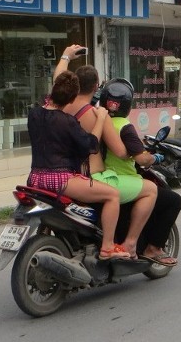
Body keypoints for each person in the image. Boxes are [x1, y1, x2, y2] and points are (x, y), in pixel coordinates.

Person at [54, 45, 162, 261]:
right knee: (147, 190)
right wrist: (139, 150)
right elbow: (121, 152)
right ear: (96, 87)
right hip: (89, 177)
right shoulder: (96, 114)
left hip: (64, 172)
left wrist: (66, 55)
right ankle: (121, 245)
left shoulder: (62, 104)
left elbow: (58, 79)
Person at [26, 70, 130, 260]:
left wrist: (66, 57)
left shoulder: (34, 114)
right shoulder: (67, 122)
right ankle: (107, 246)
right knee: (112, 195)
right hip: (60, 181)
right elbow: (91, 145)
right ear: (72, 98)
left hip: (34, 179)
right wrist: (100, 118)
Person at [98, 77, 181, 266]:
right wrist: (155, 157)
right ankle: (140, 246)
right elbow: (141, 158)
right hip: (120, 180)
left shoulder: (97, 120)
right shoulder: (124, 127)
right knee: (173, 200)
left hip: (97, 179)